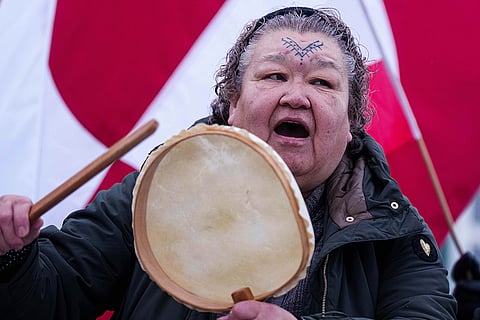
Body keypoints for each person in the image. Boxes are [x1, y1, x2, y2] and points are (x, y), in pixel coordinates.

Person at [0, 6, 457, 320]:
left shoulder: (396, 235)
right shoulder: (155, 196)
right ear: (232, 103)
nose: (295, 95)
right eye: (274, 75)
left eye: (322, 82)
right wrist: (11, 259)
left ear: (354, 120)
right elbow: (50, 296)